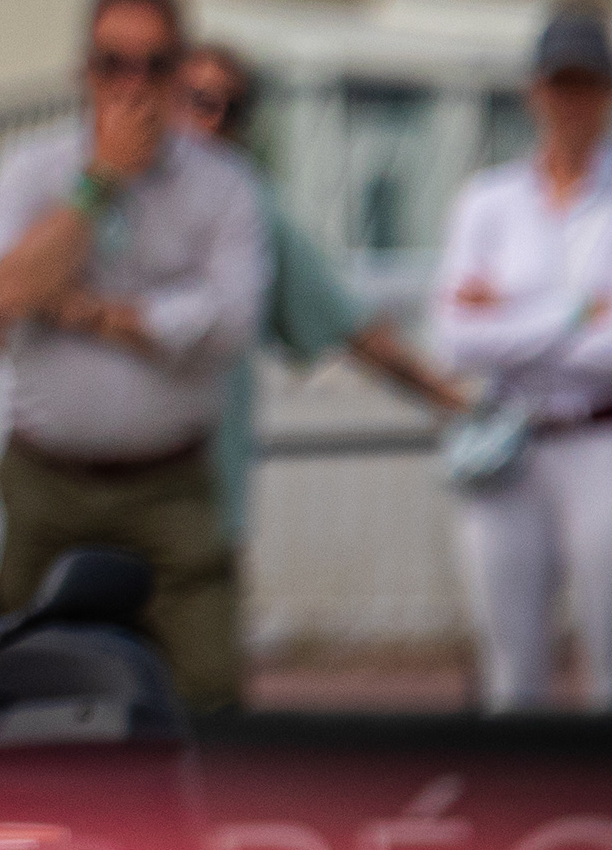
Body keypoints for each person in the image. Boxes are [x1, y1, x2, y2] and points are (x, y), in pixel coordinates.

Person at [0, 0, 267, 710]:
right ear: (84, 72)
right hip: (47, 478)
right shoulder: (33, 170)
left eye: (155, 65)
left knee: (209, 695)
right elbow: (9, 292)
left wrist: (90, 313)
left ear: (181, 72)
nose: (134, 87)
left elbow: (228, 323)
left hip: (169, 483)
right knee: (12, 690)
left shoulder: (225, 185)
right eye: (114, 64)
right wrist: (99, 182)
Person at [431, 0, 612, 712]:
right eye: (560, 84)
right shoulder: (488, 201)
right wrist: (575, 310)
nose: (572, 102)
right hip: (510, 440)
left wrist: (507, 311)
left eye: (587, 85)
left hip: (610, 437)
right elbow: (453, 337)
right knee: (511, 673)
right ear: (535, 92)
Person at [174, 42, 462, 558]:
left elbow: (351, 324)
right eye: (196, 99)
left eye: (232, 108)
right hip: (85, 485)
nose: (211, 121)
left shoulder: (249, 205)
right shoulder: (98, 187)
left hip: (198, 494)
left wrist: (461, 404)